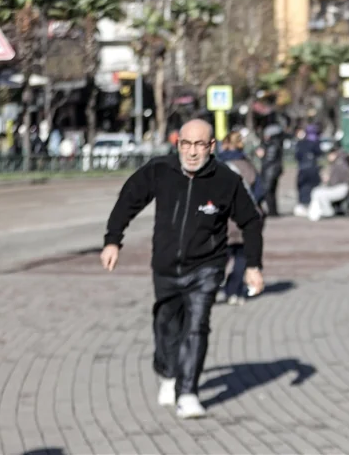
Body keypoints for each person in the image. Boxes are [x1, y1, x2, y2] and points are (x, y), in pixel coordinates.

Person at [100, 119, 265, 419]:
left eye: (199, 144)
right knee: (166, 325)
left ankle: (188, 392)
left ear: (211, 146)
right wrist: (113, 241)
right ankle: (168, 373)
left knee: (197, 325)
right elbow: (129, 199)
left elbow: (251, 221)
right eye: (185, 144)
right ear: (178, 145)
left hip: (206, 266)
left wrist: (253, 265)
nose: (191, 152)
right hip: (165, 266)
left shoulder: (226, 180)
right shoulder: (160, 170)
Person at [217, 132, 265, 305]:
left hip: (223, 220)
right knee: (242, 258)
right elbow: (259, 192)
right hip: (246, 221)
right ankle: (234, 291)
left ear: (224, 145)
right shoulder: (248, 166)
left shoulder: (218, 166)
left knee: (218, 258)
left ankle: (210, 289)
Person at [307, 146, 349, 222]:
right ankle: (317, 211)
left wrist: (327, 179)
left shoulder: (340, 164)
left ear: (335, 154)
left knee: (319, 193)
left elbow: (337, 180)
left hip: (342, 188)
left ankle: (327, 211)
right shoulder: (337, 163)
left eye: (330, 155)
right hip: (339, 187)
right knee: (316, 191)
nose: (328, 157)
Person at [293, 124, 323, 217]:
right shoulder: (316, 142)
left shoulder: (301, 143)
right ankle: (311, 204)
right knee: (313, 187)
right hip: (312, 168)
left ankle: (303, 204)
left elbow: (297, 156)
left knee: (303, 187)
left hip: (303, 168)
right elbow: (319, 153)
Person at [257, 123, 285, 217]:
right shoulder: (276, 143)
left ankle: (272, 211)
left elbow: (269, 158)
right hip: (273, 170)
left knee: (267, 191)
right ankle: (273, 211)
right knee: (271, 192)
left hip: (270, 171)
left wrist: (262, 155)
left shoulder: (272, 145)